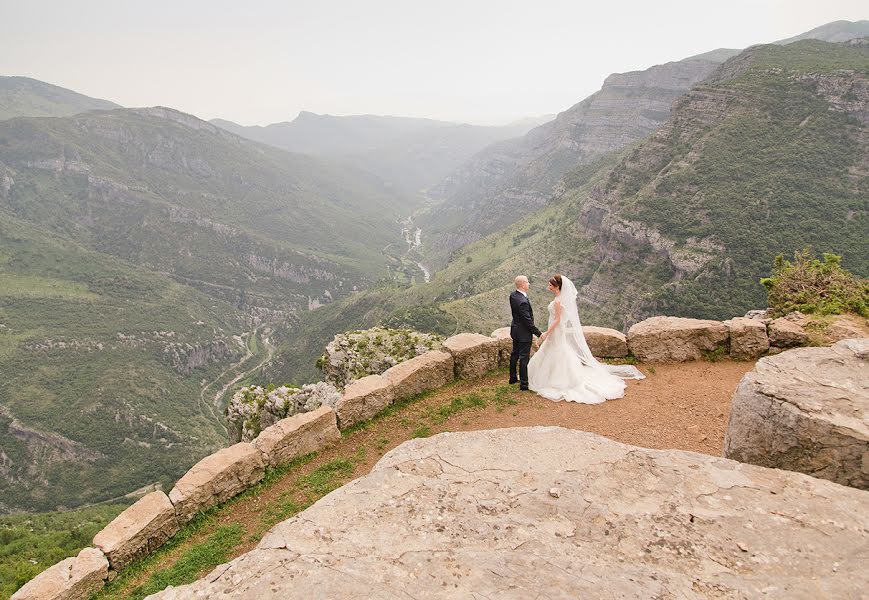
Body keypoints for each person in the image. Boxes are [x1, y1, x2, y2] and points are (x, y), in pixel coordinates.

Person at [528, 274, 644, 403]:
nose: (547, 287)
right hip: (558, 330)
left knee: (556, 350)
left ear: (556, 286)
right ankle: (557, 376)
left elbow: (558, 320)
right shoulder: (560, 298)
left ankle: (556, 379)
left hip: (556, 329)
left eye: (550, 285)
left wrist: (547, 332)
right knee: (558, 350)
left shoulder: (557, 301)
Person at [508, 275, 542, 391]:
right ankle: (524, 384)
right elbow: (527, 320)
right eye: (527, 282)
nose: (529, 284)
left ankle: (512, 378)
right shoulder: (523, 301)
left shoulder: (513, 295)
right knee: (524, 358)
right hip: (523, 333)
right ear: (522, 284)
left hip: (515, 330)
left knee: (514, 354)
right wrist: (538, 333)